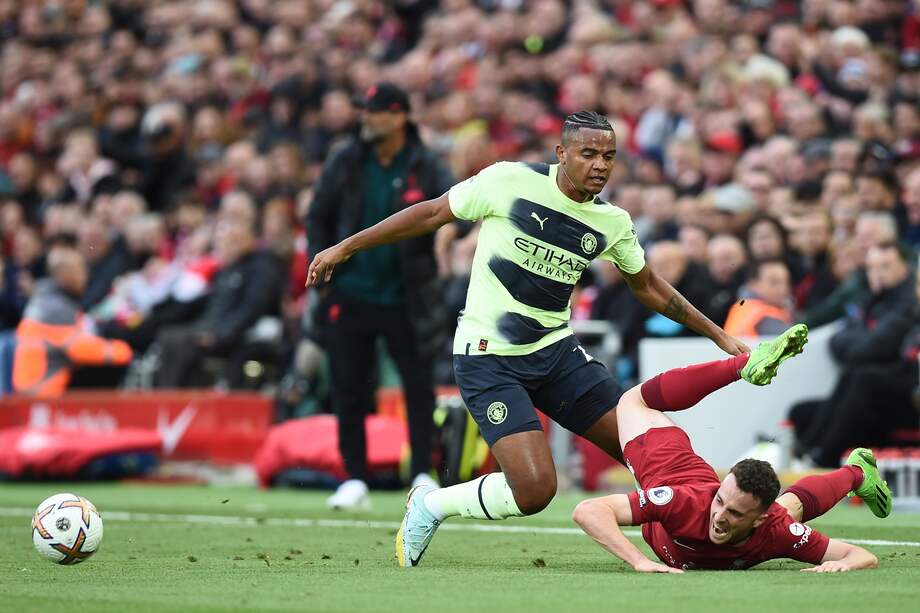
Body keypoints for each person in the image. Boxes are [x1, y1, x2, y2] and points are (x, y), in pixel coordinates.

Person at [306, 111, 749, 566]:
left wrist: (719, 336)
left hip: (557, 355)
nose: (600, 165)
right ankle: (430, 504)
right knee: (536, 490)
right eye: (589, 153)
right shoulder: (508, 181)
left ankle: (704, 542)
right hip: (488, 358)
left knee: (649, 452)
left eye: (610, 157)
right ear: (561, 153)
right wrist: (347, 246)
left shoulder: (611, 221)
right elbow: (433, 212)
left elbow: (648, 286)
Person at [572, 324, 889, 572]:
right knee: (633, 400)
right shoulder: (683, 504)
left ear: (759, 519)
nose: (719, 516)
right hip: (670, 464)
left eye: (734, 511)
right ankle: (743, 364)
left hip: (761, 522)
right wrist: (639, 561)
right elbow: (589, 510)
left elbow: (861, 555)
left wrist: (844, 563)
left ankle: (858, 472)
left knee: (787, 513)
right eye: (721, 501)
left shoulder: (776, 527)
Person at [306, 82, 457, 510]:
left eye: (375, 111)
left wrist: (452, 239)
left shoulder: (425, 164)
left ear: (400, 116)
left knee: (418, 387)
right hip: (351, 291)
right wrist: (322, 264)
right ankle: (354, 476)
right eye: (365, 111)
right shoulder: (347, 160)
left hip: (407, 295)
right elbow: (318, 214)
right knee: (348, 387)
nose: (366, 118)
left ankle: (422, 472)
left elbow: (454, 208)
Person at [12, 244, 133, 396]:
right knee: (109, 365)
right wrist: (124, 351)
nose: (85, 276)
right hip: (43, 391)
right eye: (80, 270)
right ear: (65, 274)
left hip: (30, 386)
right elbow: (81, 349)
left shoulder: (45, 299)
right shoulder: (57, 308)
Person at [723, 258, 793, 337]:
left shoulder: (742, 308)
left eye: (786, 281)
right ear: (753, 284)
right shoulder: (766, 317)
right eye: (774, 282)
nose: (783, 288)